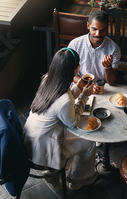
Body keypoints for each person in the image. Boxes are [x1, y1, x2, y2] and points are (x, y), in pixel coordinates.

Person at [23, 48, 98, 190]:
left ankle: (53, 173)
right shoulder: (64, 99)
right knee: (89, 142)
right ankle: (77, 180)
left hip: (32, 142)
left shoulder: (47, 79)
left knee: (76, 136)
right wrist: (84, 95)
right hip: (44, 153)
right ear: (74, 70)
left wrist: (78, 87)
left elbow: (61, 102)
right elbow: (73, 122)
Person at [68, 10, 121, 92]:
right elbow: (69, 73)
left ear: (108, 27)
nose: (98, 34)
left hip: (102, 87)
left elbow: (111, 82)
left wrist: (108, 67)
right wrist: (87, 85)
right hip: (79, 85)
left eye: (102, 30)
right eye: (94, 29)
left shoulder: (114, 49)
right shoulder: (75, 44)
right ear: (88, 26)